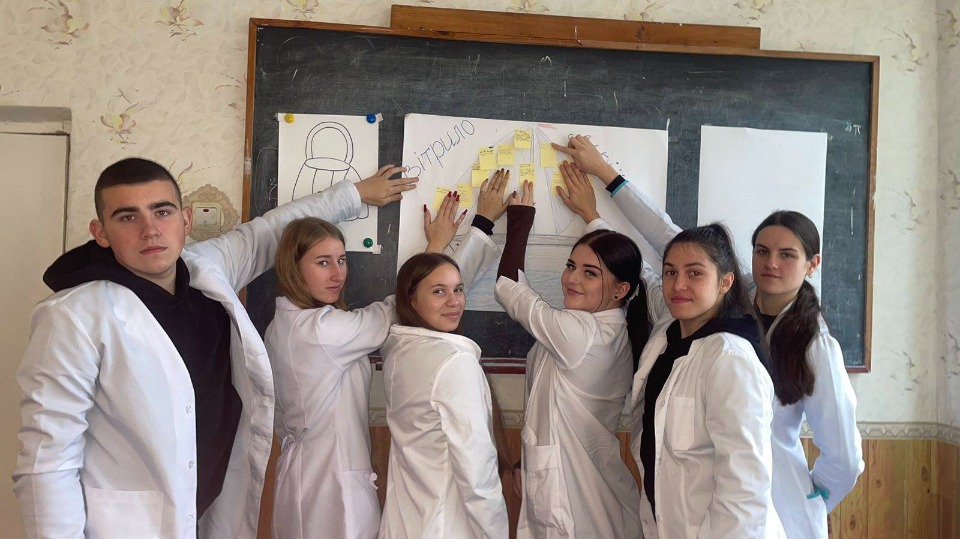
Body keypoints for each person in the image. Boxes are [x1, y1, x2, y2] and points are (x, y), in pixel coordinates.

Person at [12, 158, 416, 538]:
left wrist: (354, 194)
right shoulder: (72, 316)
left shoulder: (207, 268)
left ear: (185, 220)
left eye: (162, 211)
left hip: (210, 510)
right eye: (127, 217)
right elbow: (46, 461)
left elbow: (268, 232)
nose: (150, 230)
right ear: (100, 232)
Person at [555, 135, 863, 538]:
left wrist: (809, 498)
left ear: (811, 264)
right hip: (705, 509)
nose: (771, 263)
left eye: (787, 254)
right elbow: (670, 243)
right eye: (762, 250)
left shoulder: (804, 343)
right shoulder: (720, 307)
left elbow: (843, 459)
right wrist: (602, 187)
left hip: (776, 507)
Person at [266, 171, 510, 539]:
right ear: (293, 266)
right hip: (329, 490)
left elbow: (420, 299)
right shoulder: (319, 331)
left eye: (342, 260)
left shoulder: (285, 325)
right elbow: (402, 306)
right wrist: (453, 238)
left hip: (311, 478)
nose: (338, 274)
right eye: (323, 262)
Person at [494, 180, 646, 538]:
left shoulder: (582, 333)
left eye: (589, 273)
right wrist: (591, 216)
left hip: (578, 499)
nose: (571, 279)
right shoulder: (607, 330)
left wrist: (519, 219)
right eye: (570, 265)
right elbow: (556, 402)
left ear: (621, 290)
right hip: (585, 488)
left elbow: (507, 287)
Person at [377, 172, 512, 538]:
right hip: (446, 526)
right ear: (411, 300)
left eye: (459, 290)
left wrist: (474, 227)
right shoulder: (454, 363)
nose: (454, 302)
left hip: (405, 523)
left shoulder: (397, 348)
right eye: (440, 292)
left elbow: (423, 286)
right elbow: (477, 475)